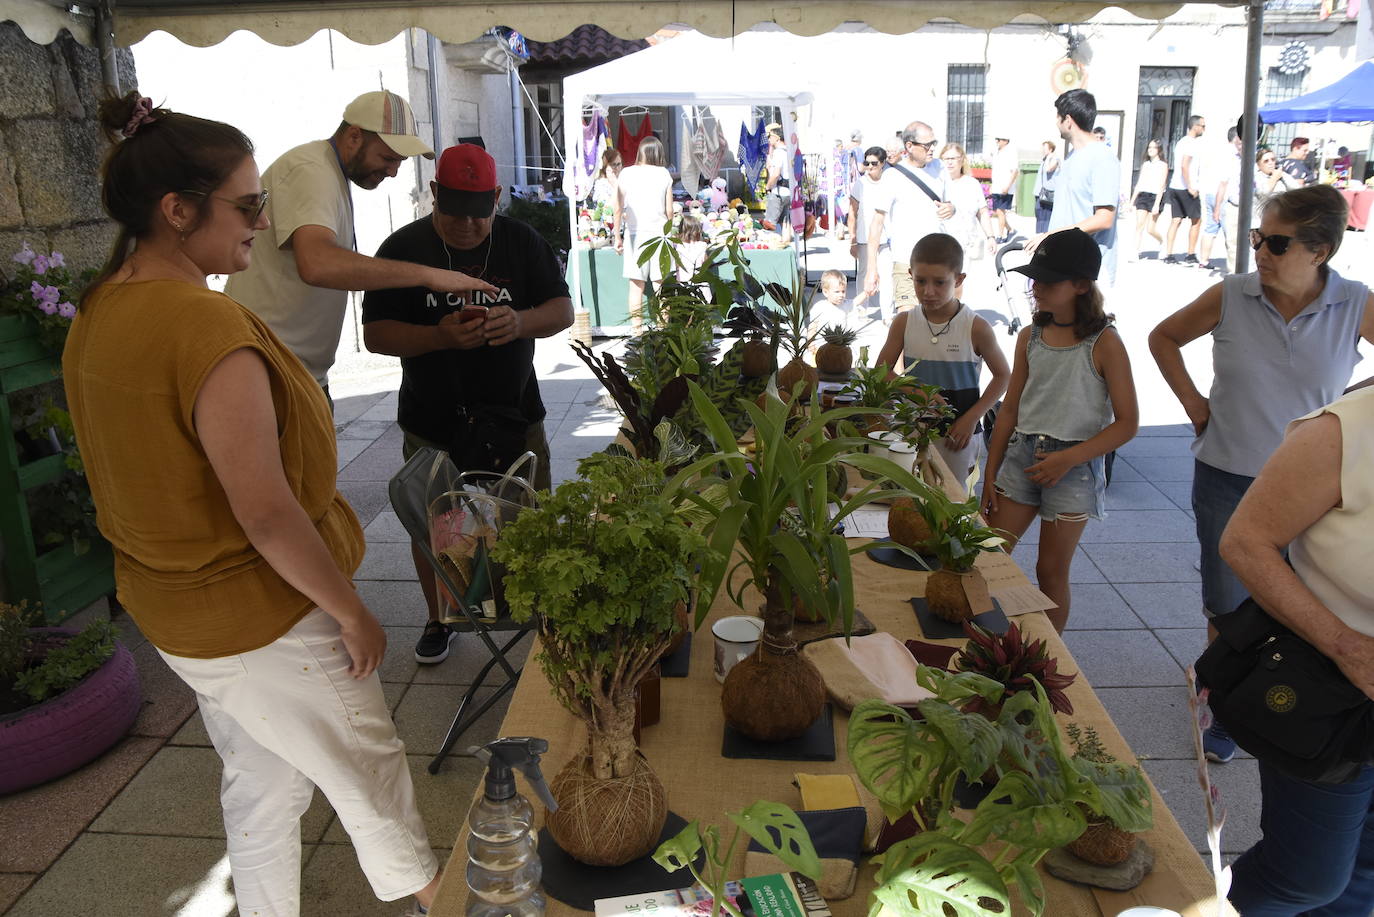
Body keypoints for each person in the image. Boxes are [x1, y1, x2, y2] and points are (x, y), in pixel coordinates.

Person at [64, 92, 440, 917]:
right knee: (371, 776)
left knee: (264, 778)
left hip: (180, 613)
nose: (262, 221)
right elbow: (267, 512)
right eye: (246, 203)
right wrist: (351, 610)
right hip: (256, 613)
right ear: (175, 210)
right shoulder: (204, 328)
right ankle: (446, 905)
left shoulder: (99, 309)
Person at [1149, 184, 1374, 763]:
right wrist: (1193, 404)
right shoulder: (1231, 294)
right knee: (1226, 602)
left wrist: (1344, 417)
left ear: (1319, 250)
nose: (1261, 252)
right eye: (1257, 238)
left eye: (1276, 242)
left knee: (1303, 600)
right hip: (1228, 472)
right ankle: (1221, 705)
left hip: (1315, 496)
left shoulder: (1356, 302)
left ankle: (1290, 694)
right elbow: (1163, 337)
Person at [360, 144, 574, 665]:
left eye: (479, 213)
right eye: (453, 211)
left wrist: (519, 321)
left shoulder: (522, 242)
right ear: (433, 193)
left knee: (529, 518)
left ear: (497, 198)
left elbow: (563, 309)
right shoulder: (401, 249)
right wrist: (439, 337)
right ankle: (440, 617)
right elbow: (376, 334)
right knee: (437, 522)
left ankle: (537, 609)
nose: (466, 225)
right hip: (433, 417)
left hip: (516, 412)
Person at [224, 90, 493, 404]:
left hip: (288, 373)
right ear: (354, 136)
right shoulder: (311, 170)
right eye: (388, 158)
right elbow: (318, 263)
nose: (393, 171)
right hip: (269, 374)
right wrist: (429, 275)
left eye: (400, 162)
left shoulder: (327, 171)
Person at [1218, 385, 1374, 915]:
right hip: (1333, 695)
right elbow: (1245, 542)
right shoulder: (1346, 429)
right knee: (1306, 877)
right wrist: (1347, 647)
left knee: (1365, 878)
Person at [981, 229, 1139, 633]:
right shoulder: (1028, 336)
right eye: (1034, 278)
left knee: (1050, 572)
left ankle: (1047, 660)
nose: (1036, 288)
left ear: (1081, 286)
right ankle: (985, 639)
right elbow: (1010, 408)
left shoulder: (1105, 342)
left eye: (1048, 281)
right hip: (1021, 456)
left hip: (1075, 465)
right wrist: (989, 472)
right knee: (987, 555)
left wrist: (1069, 458)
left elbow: (1127, 423)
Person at [876, 233, 1011, 479]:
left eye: (939, 283)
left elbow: (1003, 376)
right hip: (912, 429)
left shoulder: (975, 326)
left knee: (951, 499)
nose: (928, 291)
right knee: (909, 498)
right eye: (920, 281)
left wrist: (971, 418)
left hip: (957, 436)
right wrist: (915, 392)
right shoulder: (904, 322)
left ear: (958, 279)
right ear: (910, 276)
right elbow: (881, 372)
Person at [1027, 89, 1121, 287]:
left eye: (1058, 117)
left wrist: (1051, 235)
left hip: (1088, 270)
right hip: (1065, 262)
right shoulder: (1071, 157)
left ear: (1068, 120)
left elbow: (1104, 218)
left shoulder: (1102, 158)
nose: (1055, 122)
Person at [863, 120, 955, 313]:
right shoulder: (892, 176)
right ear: (909, 146)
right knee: (908, 321)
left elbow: (951, 203)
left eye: (934, 143)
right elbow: (876, 224)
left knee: (937, 323)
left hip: (937, 259)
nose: (932, 149)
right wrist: (872, 269)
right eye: (927, 145)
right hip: (906, 262)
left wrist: (951, 208)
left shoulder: (940, 167)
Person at [614, 135, 673, 332]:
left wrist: (617, 236)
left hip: (635, 235)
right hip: (660, 235)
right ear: (659, 153)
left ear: (640, 152)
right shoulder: (664, 174)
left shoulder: (626, 173)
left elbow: (618, 207)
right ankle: (663, 328)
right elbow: (669, 211)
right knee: (661, 286)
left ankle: (636, 331)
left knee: (636, 286)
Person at [849, 145, 890, 318]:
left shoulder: (890, 181)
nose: (870, 166)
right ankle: (861, 309)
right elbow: (852, 211)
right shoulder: (860, 183)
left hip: (886, 238)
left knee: (887, 276)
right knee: (864, 274)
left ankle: (887, 314)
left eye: (874, 163)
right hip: (865, 238)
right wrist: (852, 239)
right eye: (867, 162)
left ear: (882, 163)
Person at [938, 144, 996, 265]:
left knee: (960, 282)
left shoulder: (972, 184)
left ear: (962, 159)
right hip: (941, 245)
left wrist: (990, 237)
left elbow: (983, 212)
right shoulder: (937, 183)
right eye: (946, 159)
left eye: (953, 158)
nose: (949, 163)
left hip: (966, 246)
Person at [1198, 126, 1244, 276]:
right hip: (1223, 196)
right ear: (1236, 138)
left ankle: (1203, 260)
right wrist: (1218, 206)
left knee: (1210, 229)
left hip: (1209, 192)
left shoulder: (1218, 150)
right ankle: (1234, 267)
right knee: (1230, 234)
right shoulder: (1234, 155)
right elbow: (1224, 182)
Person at [1163, 114, 1207, 265]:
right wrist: (1190, 186)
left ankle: (1168, 253)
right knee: (1196, 220)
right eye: (1202, 126)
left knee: (1176, 220)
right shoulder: (1190, 143)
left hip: (1175, 185)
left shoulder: (1181, 142)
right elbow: (1184, 165)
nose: (1203, 129)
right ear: (1195, 126)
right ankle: (1190, 254)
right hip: (1185, 187)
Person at [1131, 139, 1168, 259]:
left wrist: (1157, 204)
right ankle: (1135, 251)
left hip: (1155, 196)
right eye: (1149, 147)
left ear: (1159, 150)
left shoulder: (1163, 165)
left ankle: (1162, 242)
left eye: (1154, 148)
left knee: (1150, 229)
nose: (1150, 150)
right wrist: (1131, 201)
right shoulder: (1145, 165)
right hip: (1143, 196)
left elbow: (1162, 184)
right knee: (1139, 225)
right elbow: (1140, 183)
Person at [763, 125, 794, 245]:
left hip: (778, 192)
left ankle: (773, 250)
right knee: (786, 222)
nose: (769, 139)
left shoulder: (778, 153)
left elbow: (776, 174)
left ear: (776, 138)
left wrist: (768, 186)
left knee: (770, 224)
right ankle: (786, 247)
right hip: (789, 192)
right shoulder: (789, 151)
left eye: (770, 136)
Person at [989, 135, 1018, 243]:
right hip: (997, 187)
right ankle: (1011, 230)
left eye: (999, 139)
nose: (996, 141)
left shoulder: (1010, 152)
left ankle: (1000, 236)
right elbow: (996, 171)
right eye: (996, 139)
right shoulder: (997, 152)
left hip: (1005, 188)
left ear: (1006, 141)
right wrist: (992, 185)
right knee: (997, 211)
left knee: (1001, 212)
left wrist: (1008, 186)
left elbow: (1015, 171)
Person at [1255, 148, 1300, 216]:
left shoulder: (1280, 174)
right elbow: (1262, 194)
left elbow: (1297, 189)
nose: (1270, 163)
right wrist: (1274, 178)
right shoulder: (1256, 177)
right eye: (1266, 161)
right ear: (1259, 165)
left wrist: (1282, 175)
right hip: (1263, 216)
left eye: (1273, 160)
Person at [1032, 140, 1061, 234]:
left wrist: (1050, 157)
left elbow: (1049, 169)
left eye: (1044, 148)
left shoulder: (1054, 159)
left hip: (1048, 193)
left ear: (1051, 149)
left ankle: (1046, 234)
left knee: (1046, 216)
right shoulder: (1045, 159)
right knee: (1039, 213)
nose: (1042, 150)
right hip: (1040, 192)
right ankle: (1040, 234)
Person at [673, 213, 708, 283]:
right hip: (699, 283)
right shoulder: (702, 245)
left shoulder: (676, 245)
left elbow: (675, 265)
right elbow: (706, 263)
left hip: (681, 283)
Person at [589, 147, 623, 212]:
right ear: (606, 166)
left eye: (619, 164)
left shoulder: (623, 179)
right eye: (613, 165)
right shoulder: (600, 184)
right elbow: (607, 207)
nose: (617, 168)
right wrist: (615, 184)